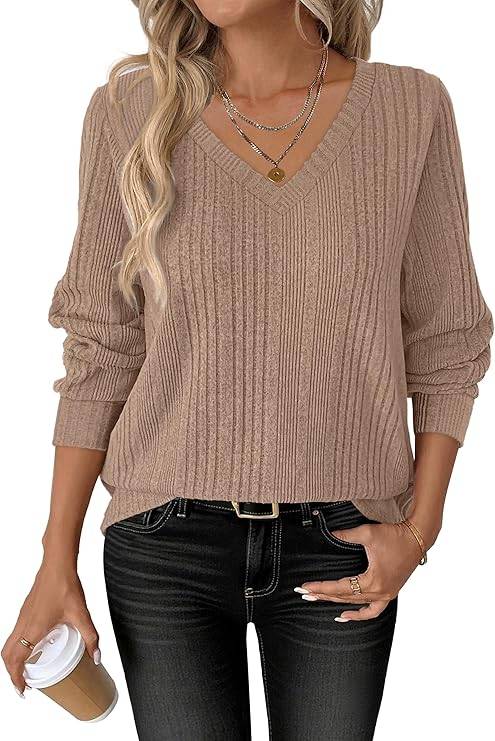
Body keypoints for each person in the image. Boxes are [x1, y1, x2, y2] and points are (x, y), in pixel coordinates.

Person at [2, 1, 493, 739]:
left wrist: (419, 531)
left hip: (342, 542)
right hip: (164, 540)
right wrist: (54, 559)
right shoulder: (130, 111)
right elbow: (101, 347)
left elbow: (447, 343)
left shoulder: (408, 108)